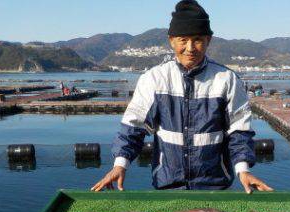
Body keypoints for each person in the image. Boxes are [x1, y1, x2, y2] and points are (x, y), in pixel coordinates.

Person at [92, 0, 273, 194]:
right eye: (183, 40)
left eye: (197, 39)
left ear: (208, 40)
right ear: (171, 40)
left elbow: (239, 130)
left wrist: (243, 170)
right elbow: (133, 126)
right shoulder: (154, 79)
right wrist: (120, 165)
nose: (190, 48)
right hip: (167, 184)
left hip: (214, 186)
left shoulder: (227, 79)